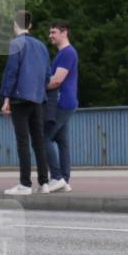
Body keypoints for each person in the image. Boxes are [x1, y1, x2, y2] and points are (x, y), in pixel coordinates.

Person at [0, 11, 51, 195]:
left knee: (23, 141)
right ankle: (44, 182)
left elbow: (11, 72)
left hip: (20, 99)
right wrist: (39, 91)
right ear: (30, 25)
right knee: (39, 141)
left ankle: (25, 183)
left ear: (15, 24)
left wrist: (6, 98)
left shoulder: (16, 44)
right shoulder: (42, 46)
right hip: (38, 99)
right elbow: (47, 75)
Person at [44, 20, 78, 193]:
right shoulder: (64, 53)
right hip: (67, 101)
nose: (50, 36)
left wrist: (38, 86)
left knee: (44, 138)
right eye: (50, 33)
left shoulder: (67, 53)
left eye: (53, 32)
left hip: (62, 102)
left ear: (64, 33)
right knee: (62, 141)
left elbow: (57, 80)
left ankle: (57, 177)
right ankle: (65, 179)